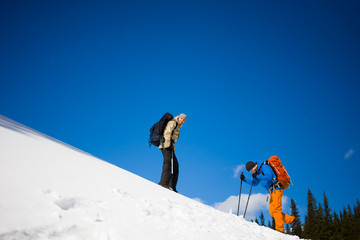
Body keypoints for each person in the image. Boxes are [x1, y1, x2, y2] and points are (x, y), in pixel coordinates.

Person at [240, 160, 295, 232]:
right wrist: (244, 179)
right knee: (272, 211)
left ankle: (280, 230)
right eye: (250, 171)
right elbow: (255, 183)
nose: (251, 172)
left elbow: (269, 177)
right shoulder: (258, 172)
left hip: (277, 189)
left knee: (276, 210)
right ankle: (292, 220)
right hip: (272, 191)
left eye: (251, 170)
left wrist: (258, 175)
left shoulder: (264, 166)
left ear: (253, 166)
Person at [158, 113, 187, 192]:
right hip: (166, 145)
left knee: (175, 165)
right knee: (168, 163)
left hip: (170, 146)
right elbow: (167, 133)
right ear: (179, 117)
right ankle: (164, 183)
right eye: (181, 118)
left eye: (184, 120)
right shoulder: (173, 122)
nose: (182, 120)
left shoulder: (177, 126)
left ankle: (172, 186)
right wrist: (167, 144)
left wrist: (171, 146)